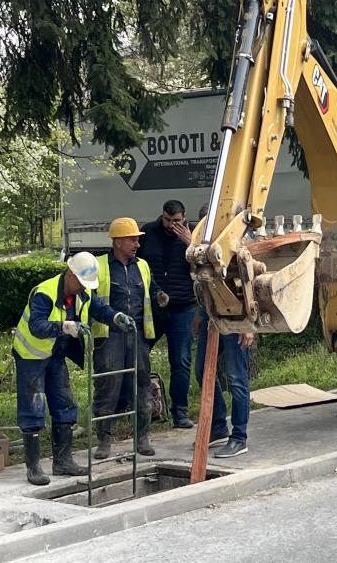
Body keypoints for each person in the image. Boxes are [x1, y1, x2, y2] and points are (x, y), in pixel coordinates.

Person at [12, 251, 131, 485]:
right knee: (33, 407)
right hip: (31, 355)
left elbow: (99, 309)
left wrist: (116, 316)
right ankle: (34, 467)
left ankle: (63, 461)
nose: (83, 288)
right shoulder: (44, 294)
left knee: (64, 403)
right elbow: (37, 326)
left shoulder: (83, 293)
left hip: (55, 354)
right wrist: (66, 326)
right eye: (81, 283)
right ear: (70, 274)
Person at [92, 217, 169, 460]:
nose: (137, 244)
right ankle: (104, 440)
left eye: (137, 239)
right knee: (108, 387)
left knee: (142, 386)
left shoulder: (142, 266)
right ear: (118, 241)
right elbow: (90, 301)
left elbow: (151, 287)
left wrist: (159, 296)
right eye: (133, 239)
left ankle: (142, 438)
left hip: (137, 336)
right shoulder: (100, 266)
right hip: (110, 337)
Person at [190, 207, 253, 458]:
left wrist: (249, 326)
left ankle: (239, 436)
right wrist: (200, 314)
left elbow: (251, 285)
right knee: (202, 372)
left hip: (237, 316)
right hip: (212, 314)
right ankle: (217, 427)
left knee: (237, 378)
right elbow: (204, 283)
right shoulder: (207, 244)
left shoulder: (241, 243)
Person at [139, 200, 199, 428]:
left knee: (181, 361)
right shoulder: (148, 233)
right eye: (167, 219)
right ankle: (137, 408)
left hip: (183, 307)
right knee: (138, 355)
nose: (171, 225)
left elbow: (205, 262)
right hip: (152, 308)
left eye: (176, 221)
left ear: (184, 217)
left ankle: (180, 412)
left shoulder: (193, 234)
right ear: (161, 216)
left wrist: (190, 243)